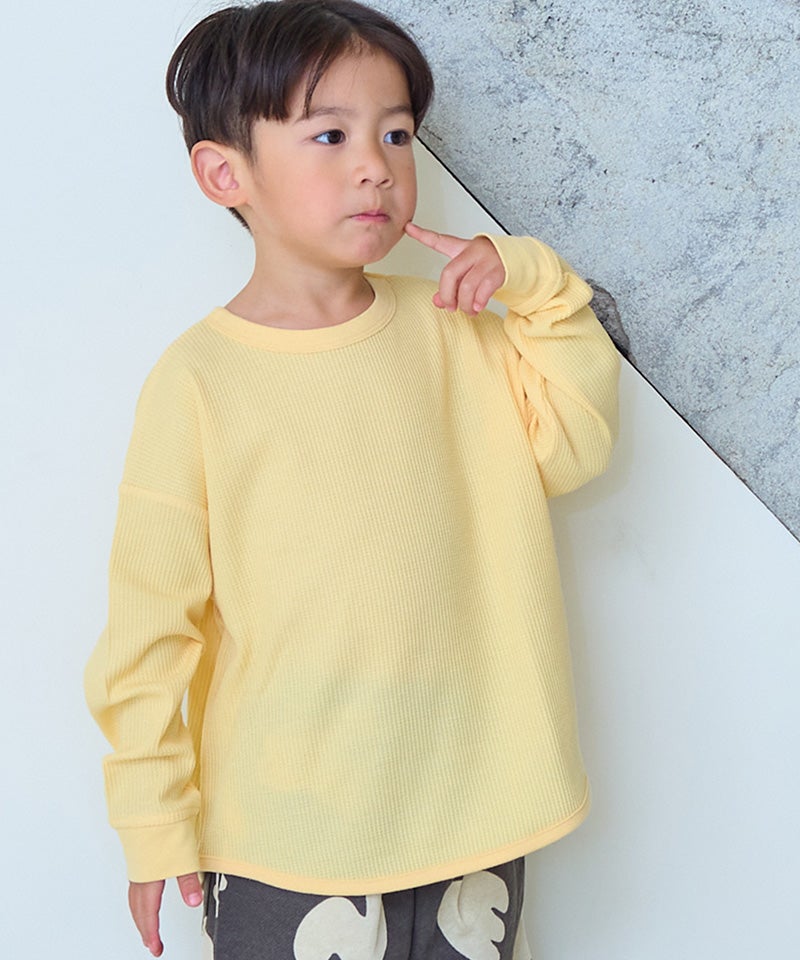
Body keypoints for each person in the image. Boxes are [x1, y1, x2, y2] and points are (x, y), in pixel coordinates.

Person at [84, 1, 620, 957]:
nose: (376, 164)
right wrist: (153, 822)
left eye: (397, 134)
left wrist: (537, 287)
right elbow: (149, 629)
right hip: (285, 835)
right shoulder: (198, 381)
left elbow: (575, 448)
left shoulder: (457, 332)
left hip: (469, 810)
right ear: (225, 173)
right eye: (330, 134)